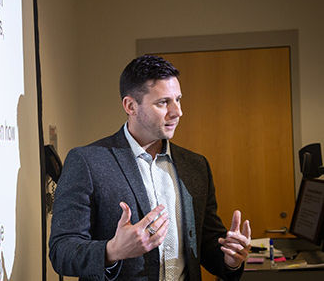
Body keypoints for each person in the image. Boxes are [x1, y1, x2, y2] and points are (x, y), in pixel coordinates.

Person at [49, 55, 251, 280]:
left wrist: (230, 259)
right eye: (163, 102)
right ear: (130, 106)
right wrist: (113, 251)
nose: (177, 112)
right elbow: (61, 251)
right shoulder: (87, 162)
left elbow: (205, 244)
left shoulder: (196, 166)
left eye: (178, 99)